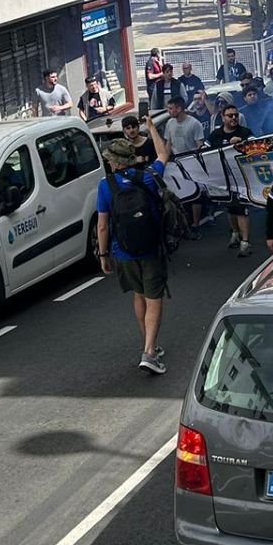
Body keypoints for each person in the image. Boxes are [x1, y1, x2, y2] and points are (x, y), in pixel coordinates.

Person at [96, 110, 174, 375]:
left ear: (115, 162)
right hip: (151, 246)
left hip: (123, 251)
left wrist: (104, 254)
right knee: (155, 298)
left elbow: (103, 224)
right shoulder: (149, 176)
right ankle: (150, 351)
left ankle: (149, 344)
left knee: (139, 296)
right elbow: (164, 154)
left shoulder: (106, 186)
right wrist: (151, 128)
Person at [206, 101, 255, 258]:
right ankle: (235, 233)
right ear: (222, 117)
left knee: (242, 209)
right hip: (223, 178)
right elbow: (203, 150)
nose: (234, 118)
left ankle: (245, 242)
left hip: (242, 178)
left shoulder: (245, 132)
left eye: (236, 115)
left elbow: (257, 146)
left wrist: (242, 144)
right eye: (230, 115)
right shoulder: (216, 135)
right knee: (230, 208)